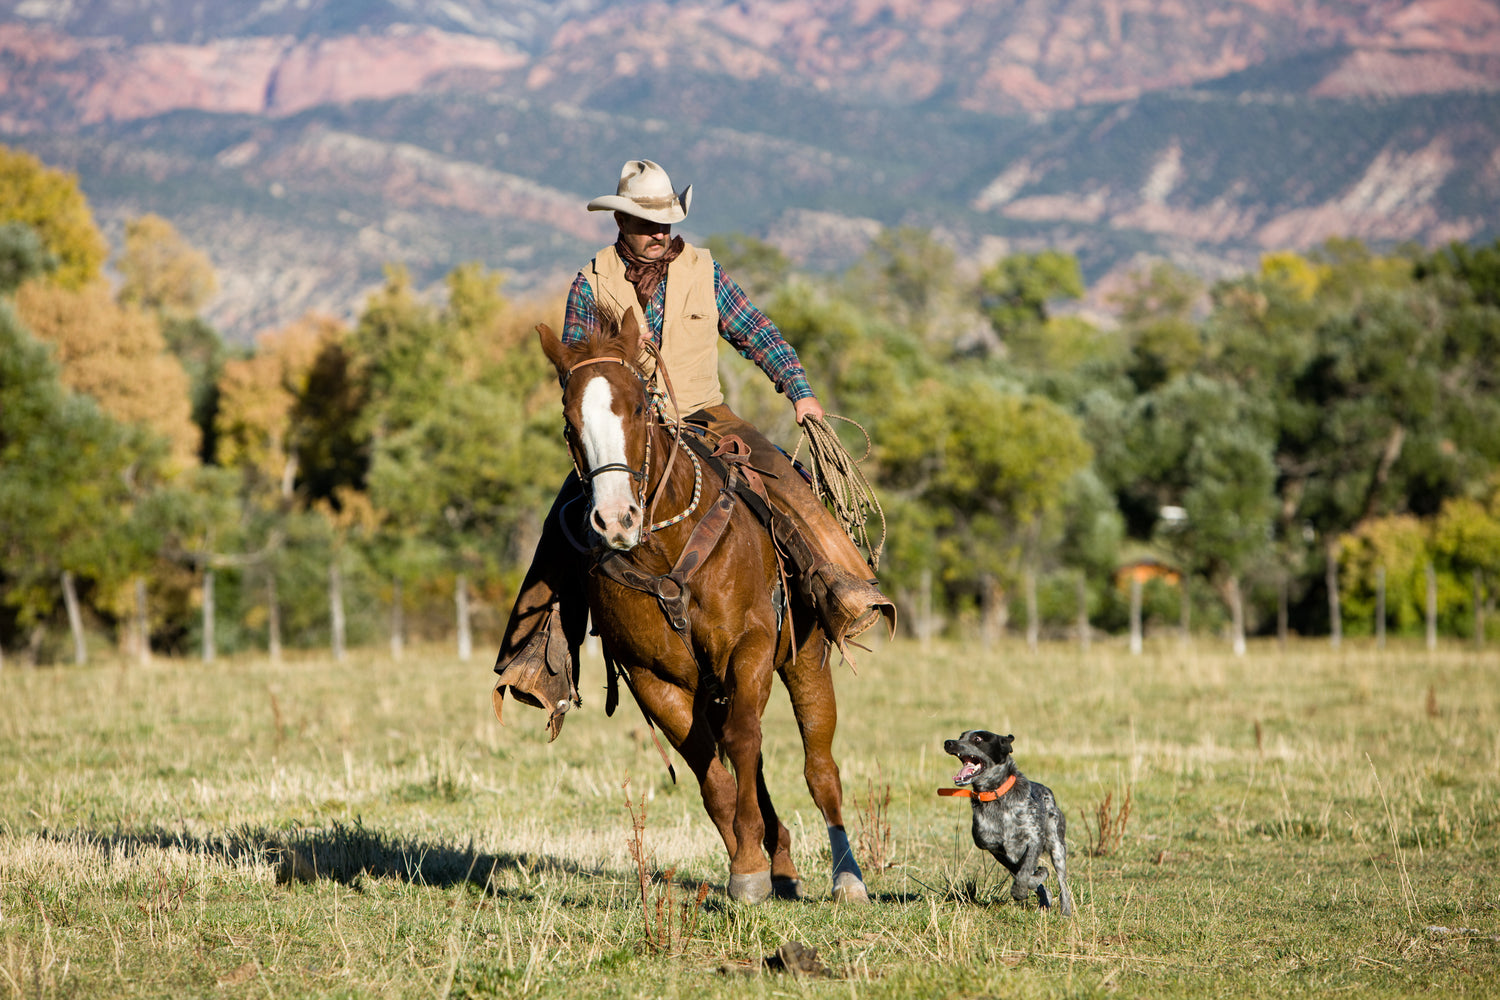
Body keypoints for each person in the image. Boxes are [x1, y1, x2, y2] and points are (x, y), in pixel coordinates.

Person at [493, 159, 894, 736]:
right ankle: (538, 659)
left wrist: (799, 394)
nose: (659, 232)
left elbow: (757, 331)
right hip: (627, 433)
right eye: (645, 222)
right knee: (564, 525)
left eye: (666, 221)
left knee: (784, 481)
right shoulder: (591, 280)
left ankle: (842, 586)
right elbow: (579, 369)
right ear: (621, 221)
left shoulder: (705, 271)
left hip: (705, 416)